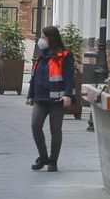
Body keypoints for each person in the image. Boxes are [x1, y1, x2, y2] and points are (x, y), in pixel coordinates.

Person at [27, 26, 77, 172]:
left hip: (57, 100)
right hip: (40, 98)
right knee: (35, 126)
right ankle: (43, 157)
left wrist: (68, 94)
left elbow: (69, 77)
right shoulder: (40, 54)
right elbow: (34, 76)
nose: (41, 40)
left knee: (55, 130)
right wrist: (31, 95)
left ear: (51, 38)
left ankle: (53, 161)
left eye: (44, 37)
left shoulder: (64, 55)